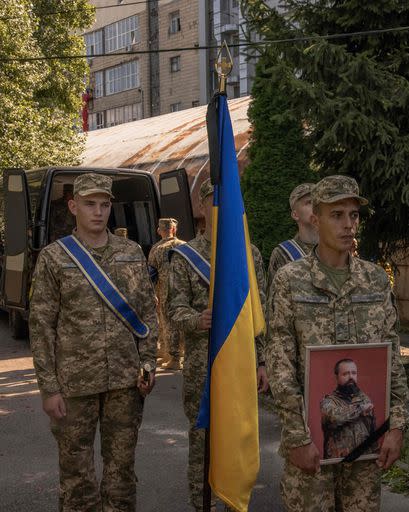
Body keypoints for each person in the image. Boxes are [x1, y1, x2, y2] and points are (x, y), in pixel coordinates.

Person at [267, 175, 409, 512]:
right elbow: (280, 364)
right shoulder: (291, 280)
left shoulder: (374, 279)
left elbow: (392, 360)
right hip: (311, 445)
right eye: (337, 215)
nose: (349, 225)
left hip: (365, 445)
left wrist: (398, 425)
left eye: (354, 215)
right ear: (315, 219)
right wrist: (298, 437)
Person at [29, 173, 158, 512]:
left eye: (104, 204)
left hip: (125, 382)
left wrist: (148, 363)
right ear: (74, 207)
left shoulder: (131, 253)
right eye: (89, 204)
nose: (98, 212)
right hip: (73, 386)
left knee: (121, 475)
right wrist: (48, 388)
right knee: (77, 479)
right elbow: (41, 325)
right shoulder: (54, 258)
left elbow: (147, 314)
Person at [166, 179, 268, 512]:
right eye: (214, 202)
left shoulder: (249, 254)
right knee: (203, 444)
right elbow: (174, 309)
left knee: (238, 438)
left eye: (226, 203)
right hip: (202, 366)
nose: (220, 209)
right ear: (203, 207)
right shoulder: (185, 256)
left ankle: (235, 503)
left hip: (240, 363)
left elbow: (259, 312)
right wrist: (198, 319)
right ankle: (203, 505)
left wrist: (262, 362)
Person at [320, 359, 376, 460]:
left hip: (364, 463)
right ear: (336, 377)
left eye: (354, 373)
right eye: (345, 374)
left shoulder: (364, 399)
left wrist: (376, 454)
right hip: (338, 464)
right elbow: (336, 417)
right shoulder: (328, 402)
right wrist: (360, 409)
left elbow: (372, 430)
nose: (351, 377)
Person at [148, 218, 184, 369]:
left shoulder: (156, 248)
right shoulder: (185, 246)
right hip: (183, 291)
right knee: (182, 322)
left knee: (168, 324)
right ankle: (175, 354)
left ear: (159, 231)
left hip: (165, 292)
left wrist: (152, 293)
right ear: (174, 229)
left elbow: (151, 274)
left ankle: (174, 358)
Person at [267, 182, 318, 286]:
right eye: (309, 203)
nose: (315, 207)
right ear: (295, 215)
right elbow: (274, 299)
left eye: (318, 202)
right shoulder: (283, 254)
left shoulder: (336, 248)